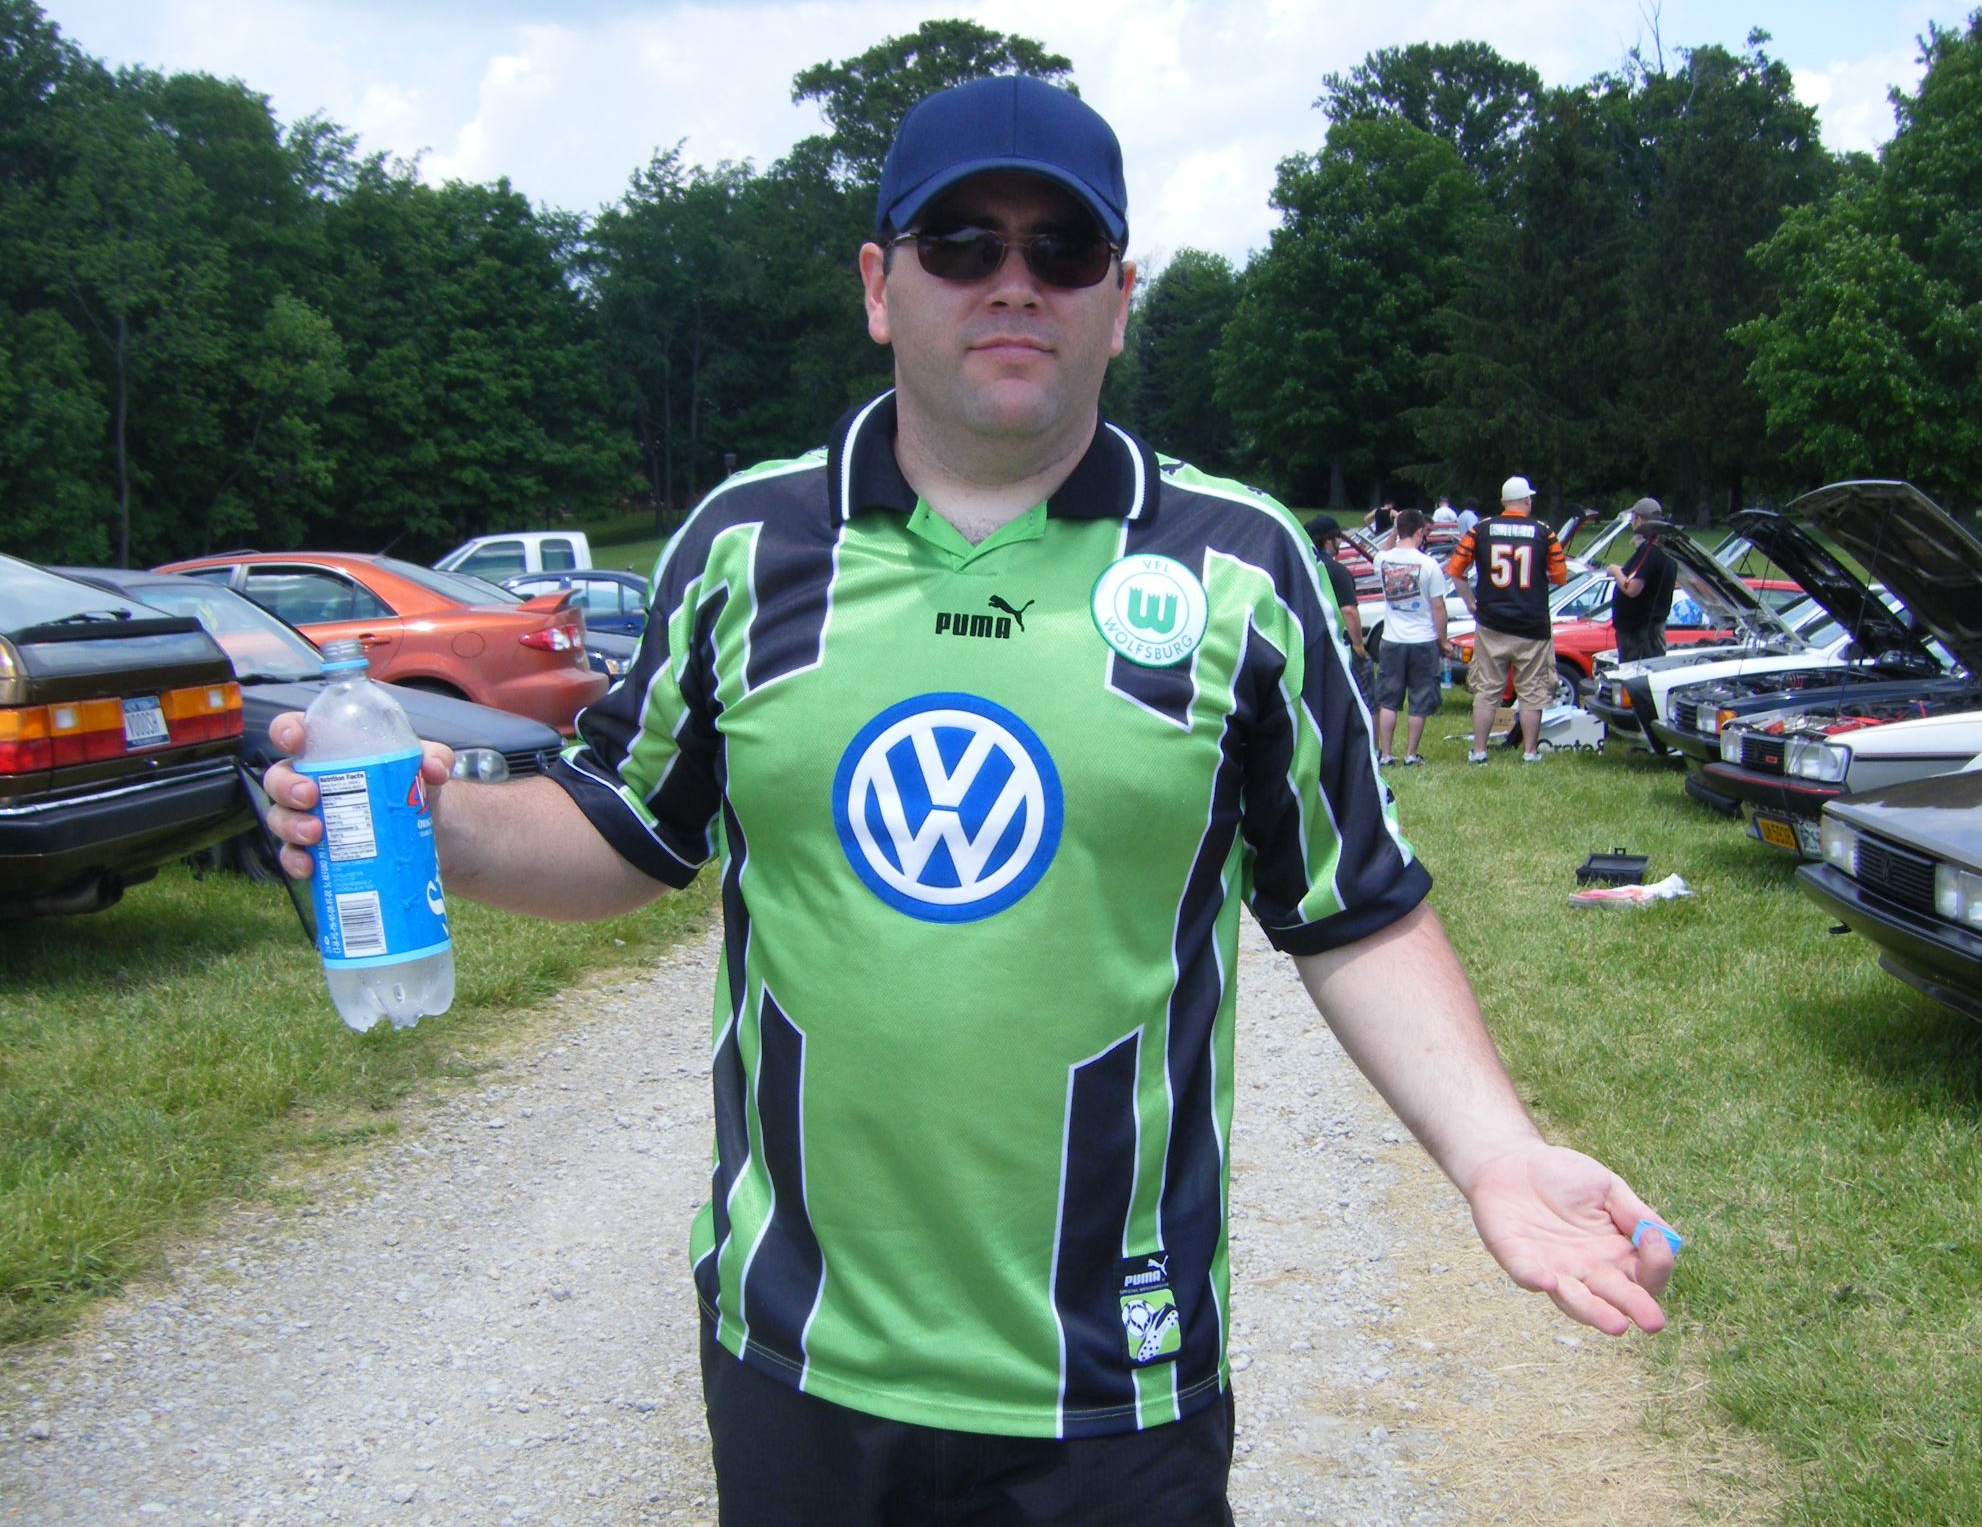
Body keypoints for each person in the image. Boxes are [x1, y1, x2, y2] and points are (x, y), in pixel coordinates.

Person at [261, 77, 1675, 1527]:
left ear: (1118, 298)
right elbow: (624, 836)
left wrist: (1497, 1155)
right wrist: (428, 823)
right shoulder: (746, 547)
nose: (1013, 282)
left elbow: (1352, 908)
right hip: (797, 1362)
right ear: (881, 287)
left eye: (1062, 249)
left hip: (1115, 1383)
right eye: (960, 244)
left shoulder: (1237, 567)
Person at [1445, 475, 1569, 764]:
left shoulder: (1480, 529)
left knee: (1487, 690)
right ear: (1527, 500)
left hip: (1492, 623)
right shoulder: (1544, 532)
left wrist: (1471, 602)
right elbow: (1560, 577)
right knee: (1532, 693)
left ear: (1502, 502)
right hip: (1532, 624)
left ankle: (1479, 751)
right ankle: (1530, 752)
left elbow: (1455, 570)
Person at [1373, 509, 1456, 765]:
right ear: (1420, 531)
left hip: (1392, 638)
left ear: (1399, 530)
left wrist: (1394, 530)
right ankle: (1410, 754)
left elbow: (1382, 551)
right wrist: (1443, 640)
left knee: (1389, 700)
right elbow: (1438, 607)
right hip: (1422, 638)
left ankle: (1386, 753)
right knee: (1419, 699)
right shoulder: (1429, 565)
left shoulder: (1383, 560)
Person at [1306, 512, 1372, 689]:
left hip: (1308, 644)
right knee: (1362, 695)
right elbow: (1348, 611)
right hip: (1336, 645)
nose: (1341, 541)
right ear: (1329, 540)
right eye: (1339, 537)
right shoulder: (1337, 571)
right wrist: (1358, 645)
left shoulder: (1303, 566)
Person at [1608, 497, 1677, 664]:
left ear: (1638, 519)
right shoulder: (1664, 547)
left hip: (1640, 633)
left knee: (1637, 675)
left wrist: (1615, 571)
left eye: (1633, 518)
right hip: (1646, 629)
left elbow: (1632, 589)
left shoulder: (1651, 549)